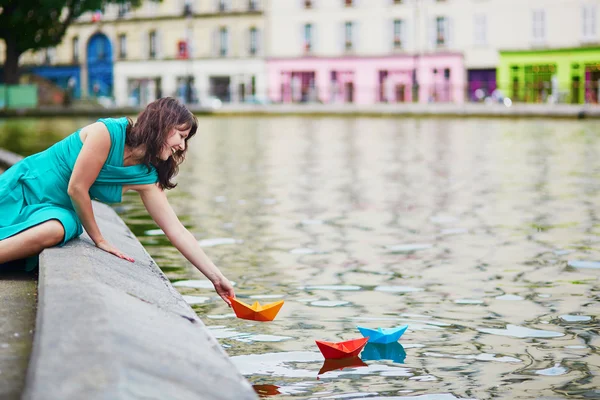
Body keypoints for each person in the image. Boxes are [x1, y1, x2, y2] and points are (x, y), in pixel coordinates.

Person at [0, 97, 235, 306]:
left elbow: (176, 230)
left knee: (57, 230)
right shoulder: (108, 132)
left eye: (186, 140)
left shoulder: (146, 176)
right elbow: (77, 187)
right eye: (181, 136)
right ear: (163, 124)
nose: (182, 146)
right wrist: (99, 240)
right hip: (25, 186)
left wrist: (216, 277)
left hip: (56, 209)